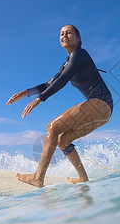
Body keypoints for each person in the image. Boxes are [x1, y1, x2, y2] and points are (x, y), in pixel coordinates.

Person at [6, 25, 113, 188]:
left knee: (52, 127)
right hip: (104, 111)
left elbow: (62, 80)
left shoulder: (80, 54)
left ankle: (38, 177)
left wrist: (39, 99)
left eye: (69, 32)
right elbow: (50, 83)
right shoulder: (66, 64)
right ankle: (83, 178)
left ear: (79, 38)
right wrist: (25, 93)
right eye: (61, 34)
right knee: (63, 140)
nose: (64, 35)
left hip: (100, 102)